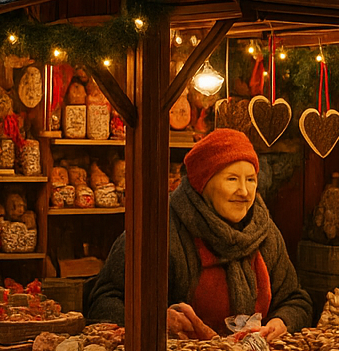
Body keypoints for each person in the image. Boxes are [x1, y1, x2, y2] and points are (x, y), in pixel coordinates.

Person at [87, 128, 311, 339]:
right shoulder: (159, 230)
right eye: (232, 179)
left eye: (251, 180)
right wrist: (155, 320)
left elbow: (295, 300)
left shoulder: (264, 231)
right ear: (203, 183)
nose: (244, 191)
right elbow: (104, 301)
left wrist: (282, 322)